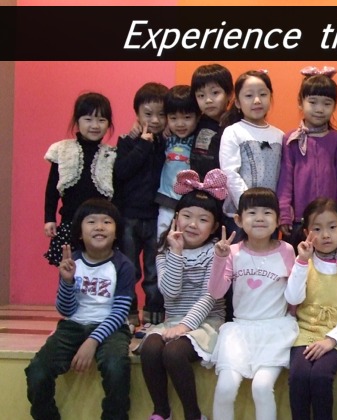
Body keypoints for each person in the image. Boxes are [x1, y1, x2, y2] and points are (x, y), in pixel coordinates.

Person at [26, 199, 135, 420]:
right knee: (37, 371)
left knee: (117, 369)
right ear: (79, 232)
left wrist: (92, 341)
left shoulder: (123, 265)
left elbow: (120, 312)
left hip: (111, 328)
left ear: (116, 233)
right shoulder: (72, 262)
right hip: (72, 325)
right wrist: (67, 282)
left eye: (107, 222)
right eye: (91, 221)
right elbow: (66, 310)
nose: (99, 226)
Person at [138, 169, 228, 420]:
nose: (192, 224)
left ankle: (193, 415)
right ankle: (161, 412)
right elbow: (170, 292)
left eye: (202, 219)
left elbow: (210, 296)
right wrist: (176, 252)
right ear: (176, 219)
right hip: (172, 321)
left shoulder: (216, 252)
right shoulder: (165, 251)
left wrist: (185, 327)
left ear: (214, 227)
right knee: (150, 348)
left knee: (174, 352)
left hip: (206, 323)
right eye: (186, 216)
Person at [208, 187, 298, 420]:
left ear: (278, 220)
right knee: (225, 388)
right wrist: (219, 258)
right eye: (252, 213)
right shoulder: (232, 252)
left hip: (275, 330)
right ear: (238, 219)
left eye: (267, 212)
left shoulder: (287, 250)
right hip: (240, 331)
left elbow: (294, 295)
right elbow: (217, 292)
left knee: (261, 388)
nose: (259, 218)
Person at [284, 198, 337, 420]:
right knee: (300, 376)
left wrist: (331, 340)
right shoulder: (304, 261)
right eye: (317, 229)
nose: (326, 235)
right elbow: (292, 297)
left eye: (332, 227)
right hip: (304, 331)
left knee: (321, 376)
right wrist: (301, 262)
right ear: (306, 232)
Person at [113, 82, 169, 328]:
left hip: (157, 216)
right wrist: (142, 144)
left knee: (154, 270)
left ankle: (155, 312)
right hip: (129, 217)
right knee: (128, 267)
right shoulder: (127, 142)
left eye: (161, 114)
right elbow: (121, 172)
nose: (155, 120)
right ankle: (128, 311)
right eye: (148, 114)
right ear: (137, 114)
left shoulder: (168, 144)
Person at [277, 66, 337, 245]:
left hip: (330, 221)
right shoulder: (291, 139)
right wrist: (284, 213)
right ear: (300, 103)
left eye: (326, 103)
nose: (319, 109)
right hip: (299, 220)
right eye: (313, 102)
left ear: (334, 106)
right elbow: (285, 179)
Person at [43, 92, 117, 266]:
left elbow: (117, 193)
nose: (95, 125)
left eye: (101, 120)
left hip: (100, 226)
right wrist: (49, 218)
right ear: (77, 121)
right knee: (69, 270)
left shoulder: (111, 154)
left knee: (99, 270)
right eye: (88, 119)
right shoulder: (62, 150)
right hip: (70, 223)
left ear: (109, 124)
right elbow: (52, 188)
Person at [219, 70, 284, 217]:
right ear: (237, 102)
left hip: (270, 214)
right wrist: (247, 206)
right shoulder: (233, 131)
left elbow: (283, 178)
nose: (257, 100)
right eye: (249, 96)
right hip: (240, 213)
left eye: (263, 94)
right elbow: (229, 173)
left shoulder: (280, 135)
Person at [155, 85, 202, 241]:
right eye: (173, 118)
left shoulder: (200, 137)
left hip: (191, 202)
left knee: (188, 242)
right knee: (162, 238)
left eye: (187, 118)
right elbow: (146, 125)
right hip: (167, 199)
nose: (180, 124)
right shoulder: (164, 136)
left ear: (198, 116)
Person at [190, 63, 233, 179]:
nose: (208, 100)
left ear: (229, 94)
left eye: (215, 93)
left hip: (226, 188)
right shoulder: (195, 121)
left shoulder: (236, 124)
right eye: (201, 95)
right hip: (198, 187)